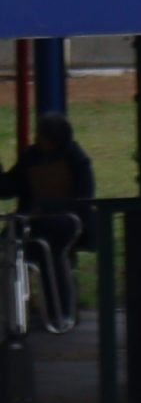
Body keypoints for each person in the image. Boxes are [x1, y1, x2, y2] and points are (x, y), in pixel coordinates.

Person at [2, 111, 95, 325]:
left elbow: (83, 200)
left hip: (67, 221)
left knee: (51, 250)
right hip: (35, 223)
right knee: (14, 244)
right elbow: (9, 187)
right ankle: (18, 313)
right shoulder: (31, 156)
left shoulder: (76, 159)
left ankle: (59, 311)